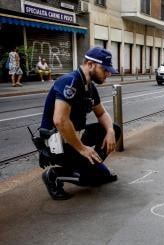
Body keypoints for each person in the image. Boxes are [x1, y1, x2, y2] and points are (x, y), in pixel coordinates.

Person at [39, 47, 121, 200]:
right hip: (58, 142)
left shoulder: (89, 86)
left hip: (77, 136)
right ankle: (54, 175)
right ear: (90, 64)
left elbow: (102, 113)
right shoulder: (70, 81)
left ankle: (88, 166)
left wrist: (110, 131)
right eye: (104, 69)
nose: (108, 74)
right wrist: (82, 149)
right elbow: (60, 120)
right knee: (90, 179)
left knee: (115, 129)